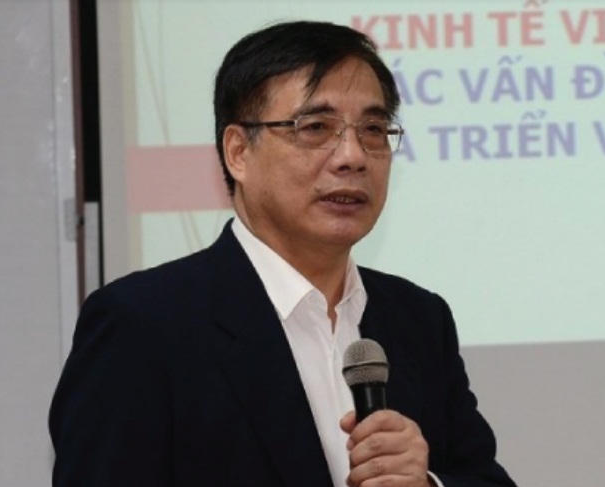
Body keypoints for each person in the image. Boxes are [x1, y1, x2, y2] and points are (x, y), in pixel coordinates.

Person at [49, 21, 516, 487]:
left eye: (373, 129)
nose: (352, 156)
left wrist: (427, 484)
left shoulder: (418, 319)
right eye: (315, 127)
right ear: (238, 152)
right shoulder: (142, 326)